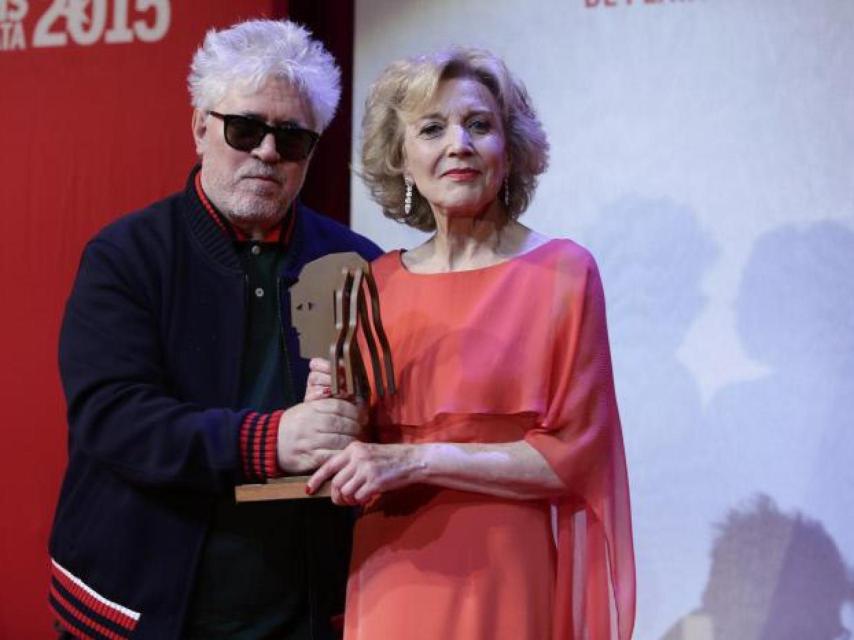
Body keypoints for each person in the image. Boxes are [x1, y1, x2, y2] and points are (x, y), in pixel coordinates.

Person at [48, 19, 381, 640]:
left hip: (303, 608)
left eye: (292, 138)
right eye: (245, 129)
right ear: (201, 126)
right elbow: (112, 417)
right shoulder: (126, 255)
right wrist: (270, 441)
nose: (267, 153)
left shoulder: (359, 263)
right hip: (142, 603)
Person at [305, 48, 636, 639]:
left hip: (505, 573)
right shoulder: (372, 283)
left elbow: (577, 457)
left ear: (509, 151)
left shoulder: (563, 273)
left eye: (478, 125)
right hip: (390, 572)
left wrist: (417, 459)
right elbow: (348, 450)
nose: (458, 144)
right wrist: (328, 409)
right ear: (402, 159)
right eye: (432, 129)